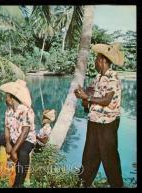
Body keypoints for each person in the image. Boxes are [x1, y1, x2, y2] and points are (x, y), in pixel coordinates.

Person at [74, 43, 124, 187]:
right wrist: (82, 95)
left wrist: (88, 98)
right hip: (94, 121)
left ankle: (117, 185)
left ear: (102, 60)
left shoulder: (113, 78)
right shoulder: (97, 77)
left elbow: (106, 100)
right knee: (89, 156)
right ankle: (83, 184)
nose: (95, 62)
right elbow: (89, 92)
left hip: (108, 124)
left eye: (96, 59)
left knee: (110, 159)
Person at [0, 79, 36, 188]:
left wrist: (13, 151)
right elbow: (7, 128)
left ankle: (18, 184)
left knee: (23, 153)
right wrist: (7, 143)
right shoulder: (9, 110)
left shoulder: (26, 111)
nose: (5, 99)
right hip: (12, 137)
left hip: (26, 139)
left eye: (6, 96)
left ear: (12, 99)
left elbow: (25, 133)